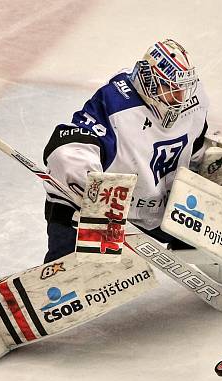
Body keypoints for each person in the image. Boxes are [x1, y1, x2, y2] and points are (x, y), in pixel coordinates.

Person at [41, 39, 209, 263]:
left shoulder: (194, 102)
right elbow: (71, 144)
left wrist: (215, 163)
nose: (179, 99)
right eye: (170, 89)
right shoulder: (117, 102)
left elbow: (196, 148)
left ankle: (202, 254)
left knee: (210, 243)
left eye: (182, 89)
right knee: (65, 202)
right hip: (109, 212)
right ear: (149, 80)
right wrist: (93, 193)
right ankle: (62, 271)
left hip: (159, 208)